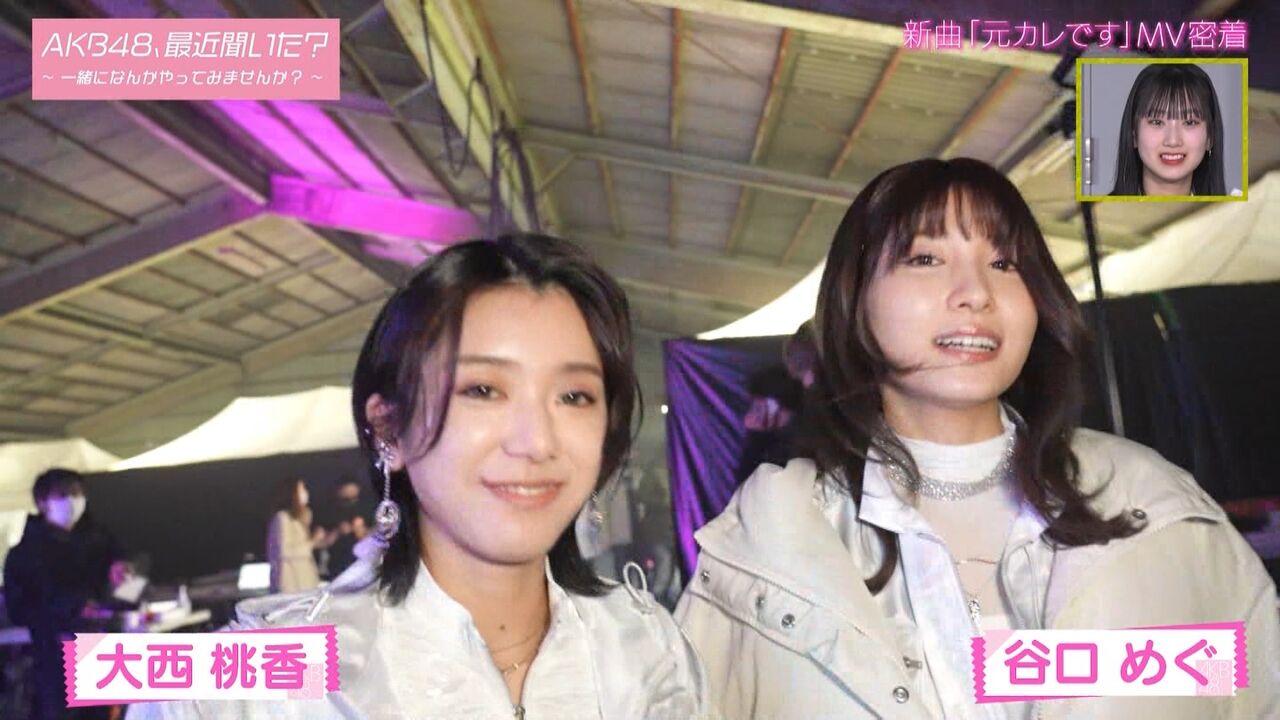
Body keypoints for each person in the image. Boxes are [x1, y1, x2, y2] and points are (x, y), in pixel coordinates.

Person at [676, 158, 1279, 719]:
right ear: (855, 297)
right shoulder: (773, 537)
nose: (976, 293)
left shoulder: (1152, 502)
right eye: (925, 258)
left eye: (1005, 263)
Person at [128, 233, 710, 719]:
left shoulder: (649, 653)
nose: (537, 442)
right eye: (483, 389)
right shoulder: (231, 690)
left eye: (574, 396)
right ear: (389, 430)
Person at [3, 469, 131, 720]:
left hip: (105, 652)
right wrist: (72, 608)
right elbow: (18, 610)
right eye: (63, 495)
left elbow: (131, 585)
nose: (72, 501)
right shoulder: (23, 555)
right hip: (56, 659)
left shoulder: (100, 540)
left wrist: (124, 574)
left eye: (77, 493)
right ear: (42, 503)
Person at [1109, 63, 1231, 197]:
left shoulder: (1232, 209)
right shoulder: (1100, 209)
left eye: (1190, 122)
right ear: (1134, 135)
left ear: (1210, 137)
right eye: (1157, 122)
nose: (1173, 141)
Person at [265, 477, 322, 593]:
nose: (305, 493)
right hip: (292, 585)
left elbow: (303, 546)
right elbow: (285, 551)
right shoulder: (282, 518)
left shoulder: (299, 518)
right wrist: (313, 541)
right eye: (301, 490)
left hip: (306, 583)